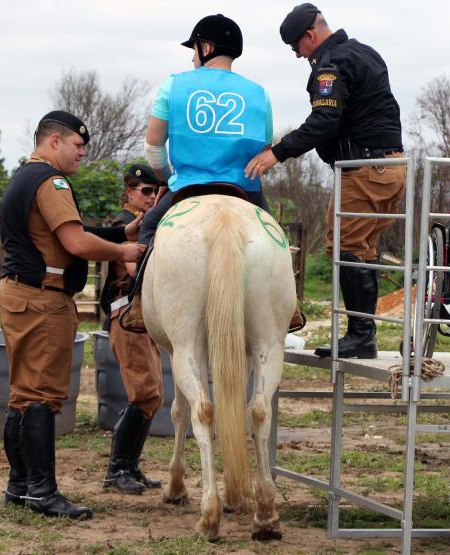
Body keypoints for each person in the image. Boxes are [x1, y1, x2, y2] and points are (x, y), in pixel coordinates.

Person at [0, 110, 145, 520]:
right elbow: (75, 243)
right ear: (55, 141)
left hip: (19, 295)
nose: (82, 154)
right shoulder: (51, 181)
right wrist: (123, 251)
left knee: (22, 394)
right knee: (41, 396)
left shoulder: (23, 176)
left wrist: (120, 232)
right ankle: (43, 492)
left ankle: (20, 486)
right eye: (78, 146)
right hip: (43, 300)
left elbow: (54, 236)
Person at [124, 13, 308, 331]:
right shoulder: (258, 93)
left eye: (194, 49)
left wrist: (169, 178)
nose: (193, 57)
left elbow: (153, 149)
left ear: (207, 47)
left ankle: (139, 303)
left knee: (151, 225)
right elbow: (263, 146)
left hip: (189, 187)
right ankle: (290, 306)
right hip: (243, 187)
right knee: (274, 236)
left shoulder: (174, 85)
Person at [246, 3, 405, 359]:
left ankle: (361, 335)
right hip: (392, 168)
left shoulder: (329, 66)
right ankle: (363, 333)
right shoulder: (366, 53)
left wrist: (277, 152)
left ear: (309, 35)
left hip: (364, 170)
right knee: (361, 250)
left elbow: (324, 121)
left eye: (295, 47)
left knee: (344, 247)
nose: (297, 55)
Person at [99, 164, 165, 495]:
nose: (152, 197)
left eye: (156, 192)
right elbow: (132, 266)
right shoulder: (123, 226)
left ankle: (130, 465)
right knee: (144, 392)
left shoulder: (147, 226)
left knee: (152, 395)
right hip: (126, 313)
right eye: (145, 191)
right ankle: (116, 470)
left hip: (143, 316)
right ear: (129, 192)